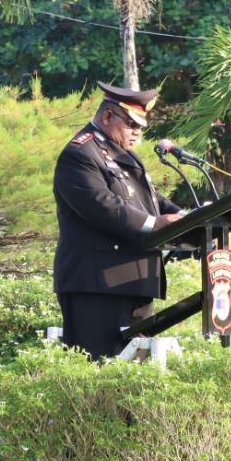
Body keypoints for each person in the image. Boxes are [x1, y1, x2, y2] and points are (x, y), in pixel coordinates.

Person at [52, 82, 186, 359]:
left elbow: (150, 199)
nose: (137, 133)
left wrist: (186, 217)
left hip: (134, 278)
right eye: (131, 125)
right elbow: (102, 206)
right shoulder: (79, 153)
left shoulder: (125, 155)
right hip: (97, 283)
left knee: (132, 371)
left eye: (141, 128)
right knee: (99, 370)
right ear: (107, 116)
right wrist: (154, 224)